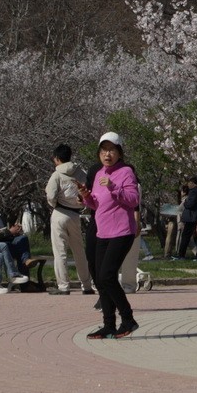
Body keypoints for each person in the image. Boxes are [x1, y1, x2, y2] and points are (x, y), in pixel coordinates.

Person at [75, 131, 140, 340]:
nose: (107, 154)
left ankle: (128, 319)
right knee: (101, 279)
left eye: (112, 150)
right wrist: (86, 197)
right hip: (103, 231)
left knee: (107, 276)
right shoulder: (100, 173)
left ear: (119, 152)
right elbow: (96, 203)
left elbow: (132, 199)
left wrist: (114, 187)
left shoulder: (126, 172)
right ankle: (108, 325)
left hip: (122, 231)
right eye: (103, 150)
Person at [45, 144, 94, 296]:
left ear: (57, 159)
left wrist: (55, 204)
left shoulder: (56, 175)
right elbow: (87, 191)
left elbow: (51, 196)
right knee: (79, 251)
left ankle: (64, 286)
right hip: (75, 214)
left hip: (60, 212)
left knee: (60, 252)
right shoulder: (80, 173)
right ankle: (86, 286)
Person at [177, 176, 197, 260]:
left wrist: (185, 202)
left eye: (189, 183)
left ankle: (181, 255)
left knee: (186, 236)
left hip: (192, 218)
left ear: (193, 183)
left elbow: (190, 204)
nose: (188, 184)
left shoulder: (193, 192)